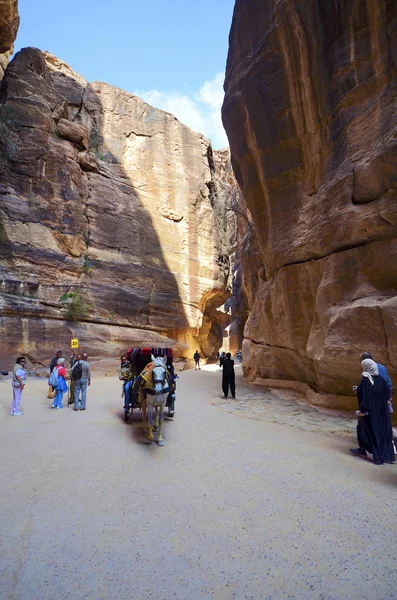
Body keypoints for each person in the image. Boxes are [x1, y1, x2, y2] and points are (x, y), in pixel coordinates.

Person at [350, 358, 394, 465]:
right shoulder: (380, 379)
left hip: (371, 413)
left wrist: (362, 411)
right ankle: (387, 457)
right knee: (383, 433)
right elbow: (387, 394)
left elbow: (364, 397)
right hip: (382, 412)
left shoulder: (366, 380)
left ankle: (374, 455)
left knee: (369, 432)